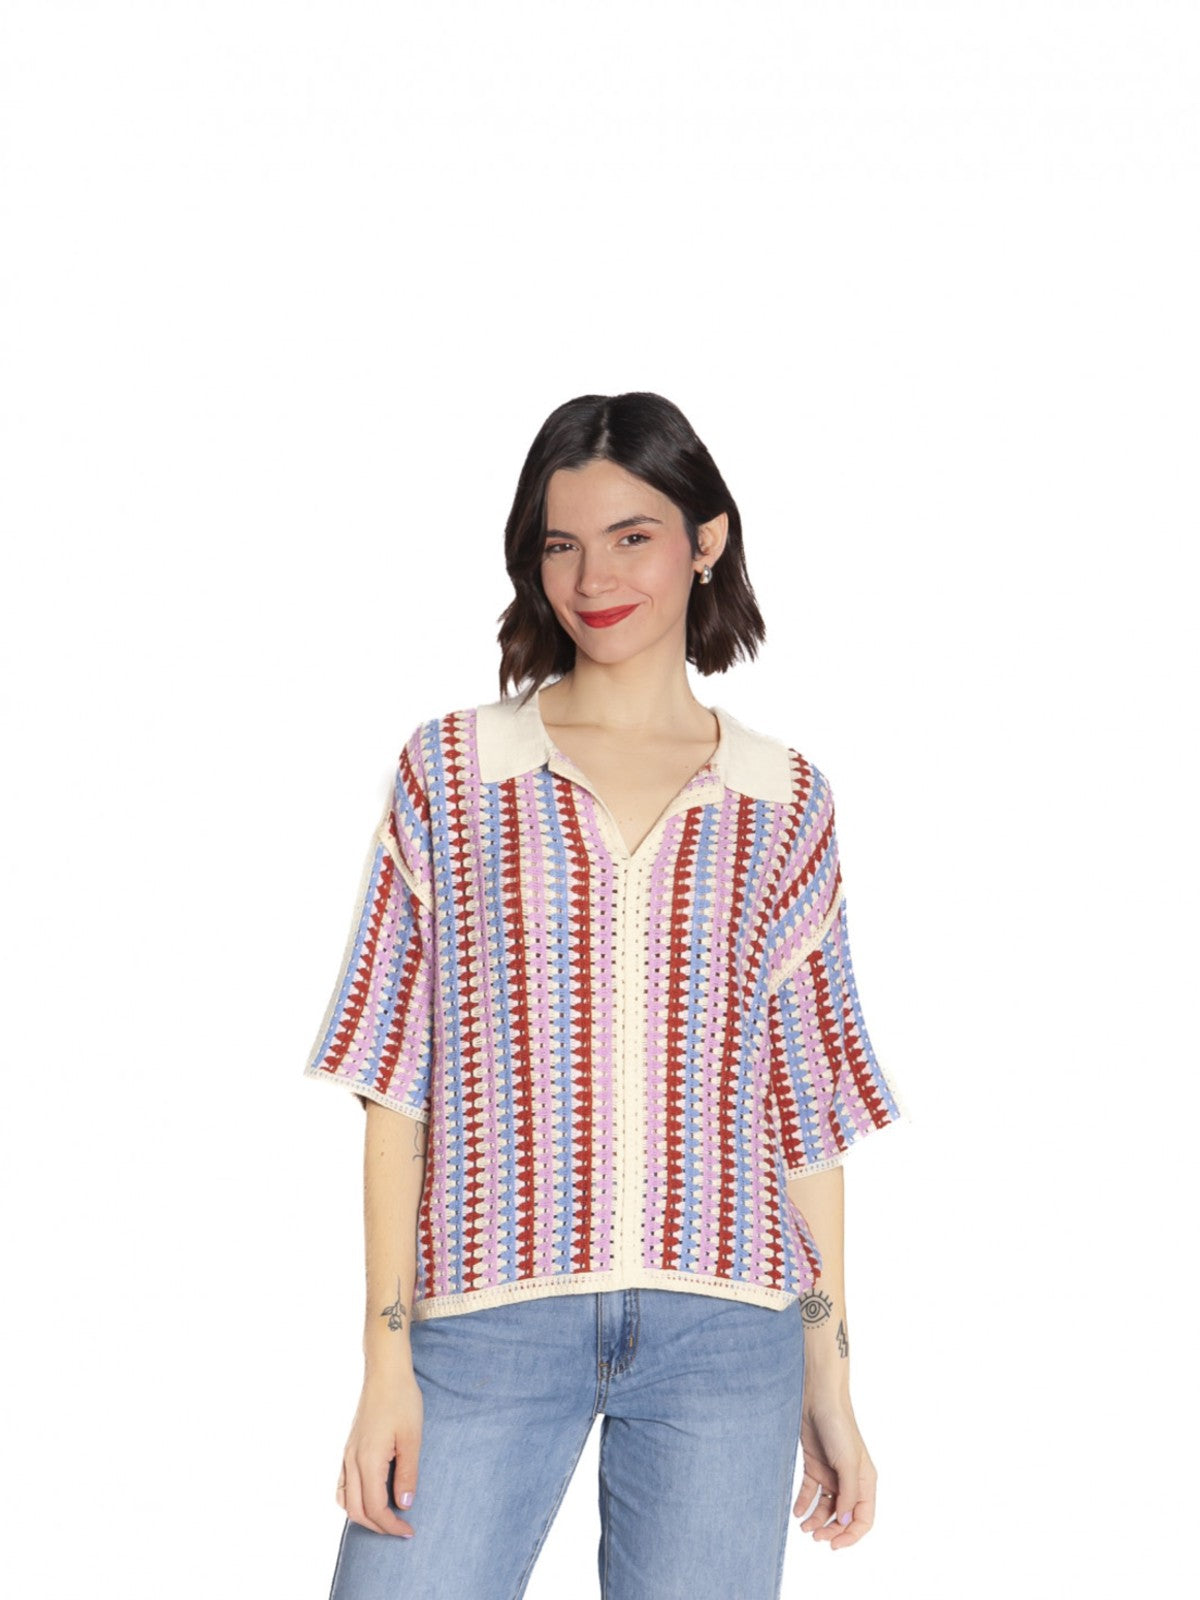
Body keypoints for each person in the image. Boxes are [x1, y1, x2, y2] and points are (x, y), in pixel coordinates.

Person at [302, 391, 907, 1599]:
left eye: (634, 536)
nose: (595, 578)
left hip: (727, 1330)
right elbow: (394, 1090)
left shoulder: (784, 798)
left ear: (707, 538)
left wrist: (830, 1378)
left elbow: (806, 1119)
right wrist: (384, 1364)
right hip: (487, 1318)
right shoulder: (455, 772)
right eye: (562, 544)